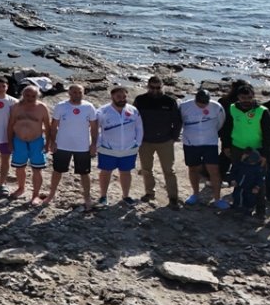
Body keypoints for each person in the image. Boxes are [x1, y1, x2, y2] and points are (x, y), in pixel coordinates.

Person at [219, 84, 270, 218]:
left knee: (258, 179)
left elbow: (268, 134)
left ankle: (260, 209)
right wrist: (226, 146)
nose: (246, 100)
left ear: (253, 96)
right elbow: (226, 129)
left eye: (249, 97)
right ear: (238, 97)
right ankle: (238, 204)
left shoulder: (262, 111)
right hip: (237, 148)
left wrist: (265, 155)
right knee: (238, 177)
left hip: (257, 150)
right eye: (243, 97)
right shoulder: (232, 108)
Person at [45, 84, 98, 209]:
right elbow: (53, 127)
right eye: (74, 92)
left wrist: (94, 144)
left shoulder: (89, 107)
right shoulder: (61, 106)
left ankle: (87, 197)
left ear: (83, 93)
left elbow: (94, 128)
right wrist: (53, 142)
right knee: (57, 171)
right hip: (63, 145)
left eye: (80, 92)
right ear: (69, 93)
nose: (77, 95)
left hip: (82, 146)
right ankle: (51, 194)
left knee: (84, 173)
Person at [133, 76, 182, 210]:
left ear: (163, 86)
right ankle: (149, 193)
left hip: (165, 141)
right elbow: (133, 118)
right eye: (152, 87)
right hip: (145, 141)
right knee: (146, 169)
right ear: (148, 86)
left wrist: (174, 137)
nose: (155, 90)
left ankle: (173, 197)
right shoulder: (140, 100)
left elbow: (177, 121)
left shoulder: (170, 101)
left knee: (169, 170)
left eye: (158, 87)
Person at [95, 87, 144, 206]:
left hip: (128, 149)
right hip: (108, 149)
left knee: (126, 172)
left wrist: (137, 143)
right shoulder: (102, 111)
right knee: (105, 172)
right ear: (112, 97)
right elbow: (95, 129)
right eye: (118, 97)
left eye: (124, 97)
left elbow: (139, 127)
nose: (122, 99)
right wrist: (98, 144)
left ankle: (126, 196)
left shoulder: (133, 110)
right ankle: (103, 196)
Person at [179, 89, 228, 209]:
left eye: (205, 103)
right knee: (193, 168)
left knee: (214, 171)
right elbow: (180, 122)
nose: (202, 105)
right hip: (190, 143)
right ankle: (195, 194)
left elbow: (220, 122)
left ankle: (217, 199)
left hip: (210, 143)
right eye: (200, 102)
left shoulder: (217, 107)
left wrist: (210, 133)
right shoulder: (184, 106)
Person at [6, 85, 51, 205]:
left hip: (36, 141)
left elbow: (48, 126)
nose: (30, 98)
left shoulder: (42, 108)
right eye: (27, 95)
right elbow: (10, 125)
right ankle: (21, 188)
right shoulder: (16, 107)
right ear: (23, 94)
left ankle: (35, 195)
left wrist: (48, 143)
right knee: (19, 167)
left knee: (37, 169)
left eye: (33, 96)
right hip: (19, 141)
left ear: (38, 96)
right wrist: (9, 142)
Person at [228, 149, 265, 215]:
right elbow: (233, 172)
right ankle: (237, 206)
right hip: (239, 185)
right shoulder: (240, 165)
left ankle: (248, 209)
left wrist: (257, 187)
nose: (242, 156)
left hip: (250, 187)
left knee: (249, 198)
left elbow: (260, 179)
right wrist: (232, 180)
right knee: (236, 195)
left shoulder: (257, 169)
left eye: (245, 156)